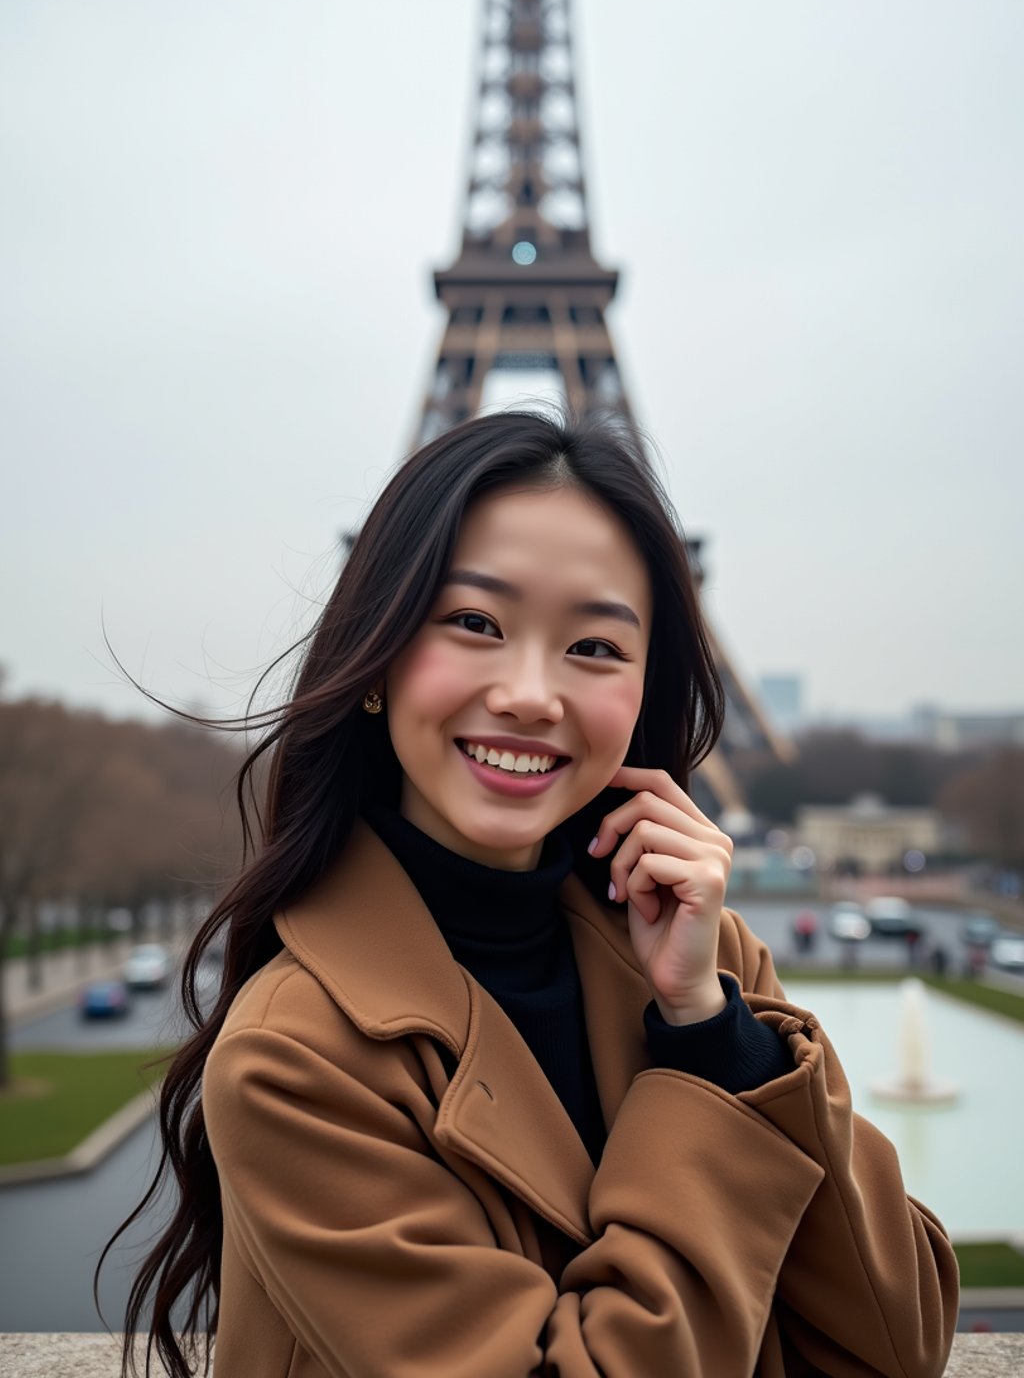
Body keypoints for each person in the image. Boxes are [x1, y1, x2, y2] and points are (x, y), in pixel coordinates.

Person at [102, 411, 958, 1378]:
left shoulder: (709, 962)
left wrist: (713, 1028)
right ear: (378, 658)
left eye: (594, 646)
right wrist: (715, 1094)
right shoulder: (294, 1058)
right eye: (474, 623)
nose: (531, 694)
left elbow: (903, 1340)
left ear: (642, 691)